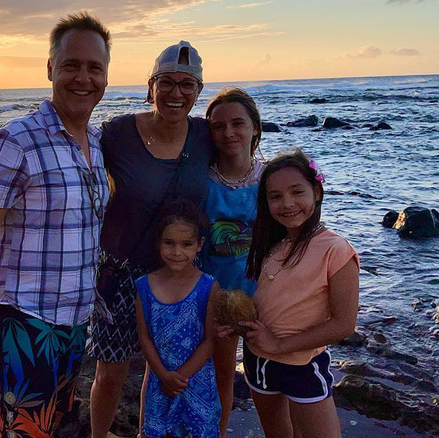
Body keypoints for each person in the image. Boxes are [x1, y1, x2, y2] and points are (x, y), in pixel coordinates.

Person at [0, 12, 111, 438]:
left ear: (106, 76)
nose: (83, 78)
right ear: (50, 68)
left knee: (59, 427)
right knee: (24, 431)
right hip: (26, 319)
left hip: (76, 319)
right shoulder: (15, 141)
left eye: (95, 68)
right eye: (71, 65)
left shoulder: (95, 143)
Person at [88, 41, 213, 437]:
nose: (176, 93)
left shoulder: (205, 135)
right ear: (150, 86)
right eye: (167, 83)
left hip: (176, 272)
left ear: (198, 92)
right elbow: (73, 162)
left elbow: (241, 173)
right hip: (119, 273)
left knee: (170, 368)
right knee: (111, 373)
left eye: (187, 85)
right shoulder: (118, 133)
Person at [230, 148, 360, 437]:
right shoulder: (272, 246)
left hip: (303, 365)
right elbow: (267, 301)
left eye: (296, 192)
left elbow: (343, 324)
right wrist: (237, 322)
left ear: (317, 192)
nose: (287, 203)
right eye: (275, 196)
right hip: (258, 361)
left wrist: (278, 346)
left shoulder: (336, 250)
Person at [201, 86, 265, 436]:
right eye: (218, 126)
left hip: (267, 296)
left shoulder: (270, 178)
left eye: (238, 124)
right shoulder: (202, 181)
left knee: (271, 379)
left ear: (255, 127)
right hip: (217, 300)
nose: (228, 133)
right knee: (222, 376)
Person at [135, 201, 221, 438]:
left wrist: (180, 377)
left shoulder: (209, 286)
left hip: (196, 381)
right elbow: (144, 337)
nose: (177, 252)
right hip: (160, 380)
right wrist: (164, 376)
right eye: (169, 243)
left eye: (186, 244)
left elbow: (210, 341)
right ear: (158, 243)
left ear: (199, 245)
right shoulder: (144, 285)